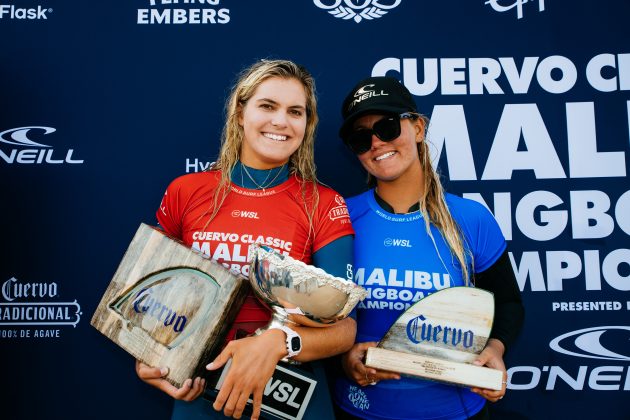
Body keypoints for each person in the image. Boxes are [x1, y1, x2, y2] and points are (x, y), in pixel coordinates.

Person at [135, 59, 357, 420]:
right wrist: (146, 352)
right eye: (267, 106)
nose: (281, 121)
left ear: (307, 124)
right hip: (199, 395)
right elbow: (146, 292)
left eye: (295, 112)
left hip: (289, 397)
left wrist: (278, 341)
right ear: (240, 113)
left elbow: (345, 329)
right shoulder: (186, 190)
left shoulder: (324, 204)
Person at [332, 76, 525, 420]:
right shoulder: (341, 217)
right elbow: (319, 319)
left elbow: (508, 303)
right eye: (361, 138)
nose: (376, 143)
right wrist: (344, 359)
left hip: (455, 410)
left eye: (388, 127)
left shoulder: (471, 218)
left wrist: (494, 349)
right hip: (358, 410)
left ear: (418, 128)